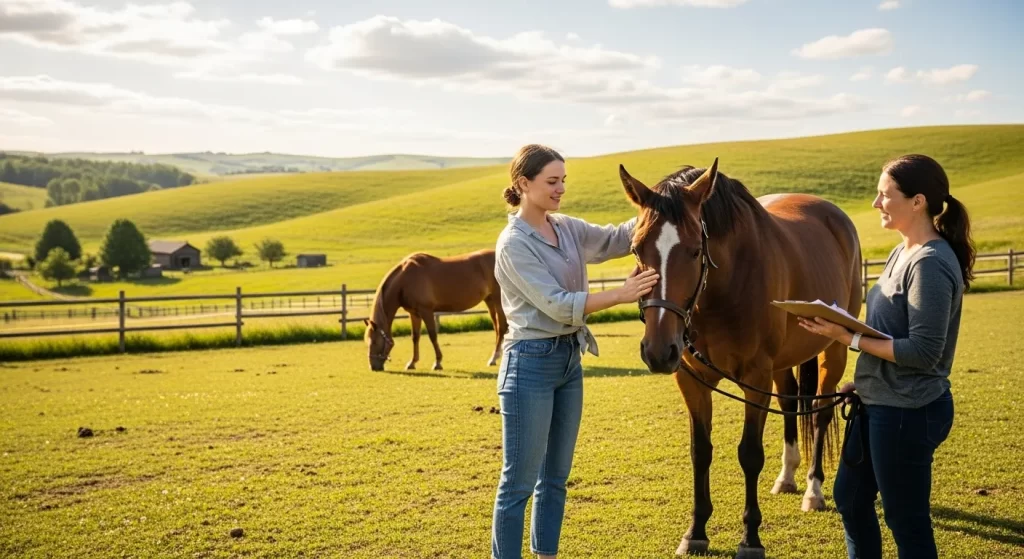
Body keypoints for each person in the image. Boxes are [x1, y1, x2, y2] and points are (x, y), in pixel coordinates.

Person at [798, 154, 975, 559]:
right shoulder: (902, 251)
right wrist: (861, 380)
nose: (877, 203)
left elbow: (924, 352)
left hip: (907, 412)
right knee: (851, 499)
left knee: (905, 520)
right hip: (876, 402)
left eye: (885, 195)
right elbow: (890, 330)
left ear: (918, 201)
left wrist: (848, 338)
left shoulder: (930, 263)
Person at [490, 144, 659, 559]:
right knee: (518, 484)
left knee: (556, 479)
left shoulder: (564, 227)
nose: (560, 188)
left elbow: (616, 238)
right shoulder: (513, 244)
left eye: (563, 180)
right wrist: (620, 294)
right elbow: (558, 303)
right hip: (528, 364)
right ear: (523, 184)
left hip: (569, 360)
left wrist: (660, 205)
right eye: (552, 181)